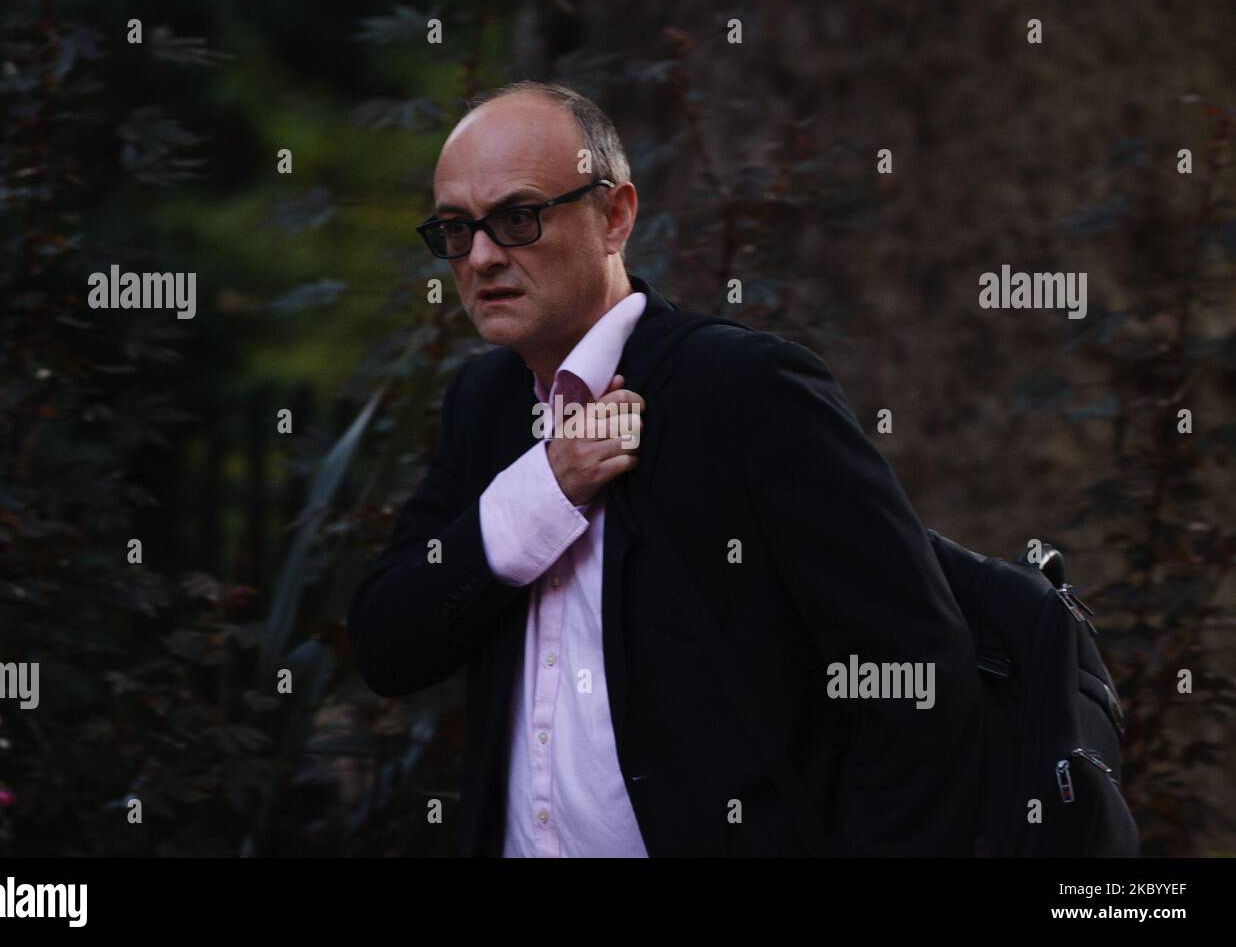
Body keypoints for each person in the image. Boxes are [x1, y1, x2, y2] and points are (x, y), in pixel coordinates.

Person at [345, 80, 982, 857]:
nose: (480, 257)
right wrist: (544, 488)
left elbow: (919, 678)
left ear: (615, 216)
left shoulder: (745, 389)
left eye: (517, 217)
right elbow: (387, 643)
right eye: (455, 229)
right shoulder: (485, 405)